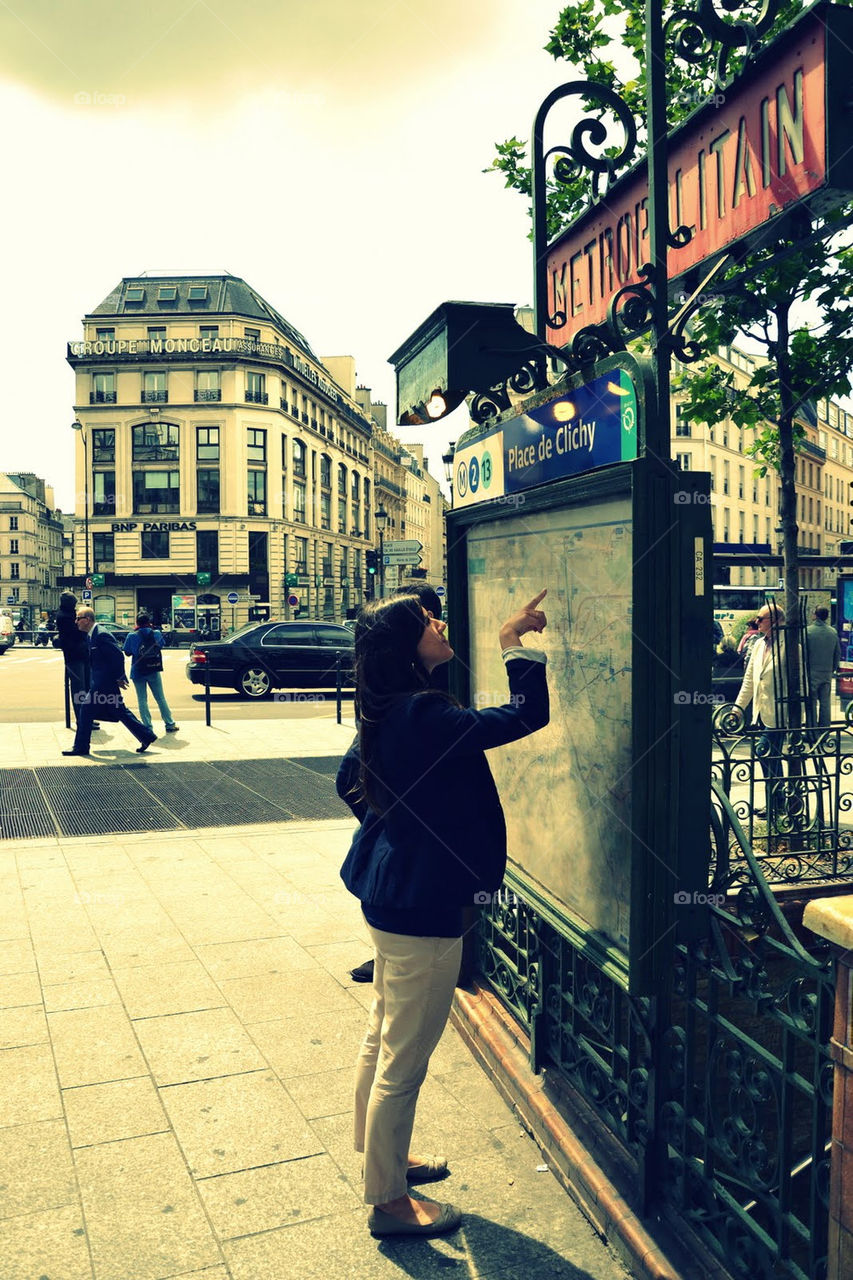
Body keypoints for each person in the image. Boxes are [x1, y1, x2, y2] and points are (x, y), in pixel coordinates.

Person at [338, 589, 549, 1238]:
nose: (437, 623)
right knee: (404, 1057)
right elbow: (522, 716)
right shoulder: (423, 715)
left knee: (383, 1033)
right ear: (407, 648)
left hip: (388, 894)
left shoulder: (387, 709)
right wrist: (512, 643)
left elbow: (348, 781)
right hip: (420, 905)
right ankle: (388, 1203)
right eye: (425, 622)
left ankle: (383, 1157)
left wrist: (402, 827)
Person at [343, 584, 446, 986]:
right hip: (412, 880)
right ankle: (389, 954)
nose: (438, 627)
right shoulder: (415, 687)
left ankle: (387, 954)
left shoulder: (427, 670)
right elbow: (350, 773)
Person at [62, 607, 157, 757]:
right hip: (103, 682)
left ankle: (81, 747)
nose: (76, 622)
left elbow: (118, 656)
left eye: (78, 618)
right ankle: (147, 736)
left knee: (85, 710)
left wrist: (120, 677)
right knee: (119, 711)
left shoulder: (101, 635)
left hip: (103, 683)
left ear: (87, 620)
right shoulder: (91, 635)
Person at [734, 602, 790, 819]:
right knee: (771, 759)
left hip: (780, 715)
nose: (756, 622)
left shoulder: (791, 646)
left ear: (775, 621)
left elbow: (801, 684)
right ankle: (776, 804)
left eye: (760, 619)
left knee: (763, 752)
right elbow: (749, 680)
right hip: (761, 713)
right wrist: (738, 709)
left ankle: (778, 804)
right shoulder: (758, 644)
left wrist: (799, 718)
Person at [123, 613, 179, 735]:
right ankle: (170, 724)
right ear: (149, 622)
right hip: (153, 669)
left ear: (137, 623)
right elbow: (161, 645)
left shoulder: (131, 636)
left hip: (138, 671)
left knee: (142, 700)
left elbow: (127, 652)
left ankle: (148, 727)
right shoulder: (156, 633)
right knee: (160, 698)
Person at [54, 591, 98, 729]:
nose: (74, 604)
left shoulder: (70, 614)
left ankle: (87, 717)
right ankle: (82, 720)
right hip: (74, 656)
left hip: (82, 654)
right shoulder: (64, 616)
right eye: (73, 602)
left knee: (86, 688)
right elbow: (76, 633)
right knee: (79, 689)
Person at [806, 605, 841, 728]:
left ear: (815, 615)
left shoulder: (807, 631)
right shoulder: (833, 632)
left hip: (811, 673)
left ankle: (812, 731)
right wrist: (832, 668)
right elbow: (837, 653)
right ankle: (824, 731)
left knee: (811, 703)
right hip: (826, 673)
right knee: (825, 703)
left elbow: (803, 653)